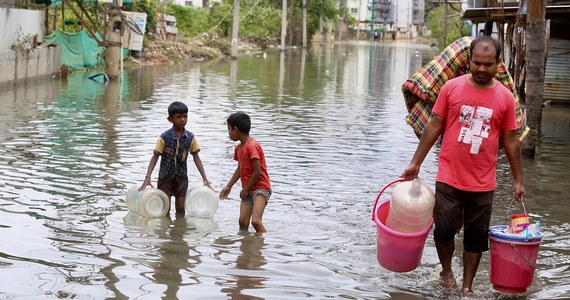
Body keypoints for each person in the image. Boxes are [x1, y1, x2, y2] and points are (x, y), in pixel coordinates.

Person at [400, 36, 525, 295]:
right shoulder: (451, 88)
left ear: (497, 64)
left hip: (483, 182)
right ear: (469, 61)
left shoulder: (504, 98)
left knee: (476, 239)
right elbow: (434, 125)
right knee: (444, 229)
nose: (481, 69)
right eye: (477, 63)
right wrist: (415, 163)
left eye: (487, 65)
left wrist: (518, 181)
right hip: (449, 176)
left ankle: (467, 287)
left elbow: (511, 141)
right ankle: (447, 271)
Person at [140, 101, 212, 215]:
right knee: (164, 210)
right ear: (170, 119)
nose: (183, 119)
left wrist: (205, 179)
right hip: (165, 178)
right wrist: (147, 177)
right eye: (179, 117)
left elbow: (196, 158)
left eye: (185, 116)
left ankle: (179, 231)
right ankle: (165, 231)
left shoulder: (190, 138)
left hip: (182, 178)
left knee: (180, 209)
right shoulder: (164, 137)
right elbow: (155, 157)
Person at [219, 111, 271, 233]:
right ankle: (245, 248)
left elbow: (257, 172)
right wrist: (228, 186)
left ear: (235, 129)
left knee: (256, 222)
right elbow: (240, 169)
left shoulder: (252, 146)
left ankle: (263, 246)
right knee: (243, 222)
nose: (228, 133)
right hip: (248, 189)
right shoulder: (238, 148)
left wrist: (246, 189)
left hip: (261, 188)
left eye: (229, 130)